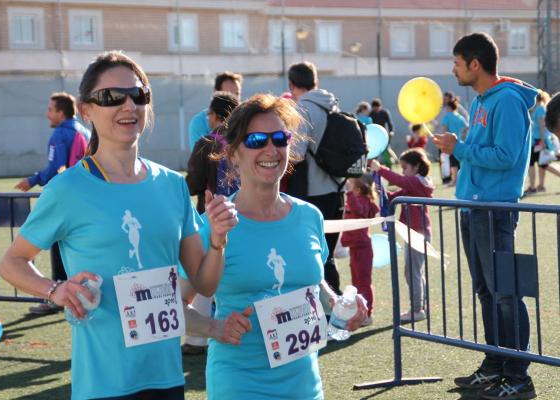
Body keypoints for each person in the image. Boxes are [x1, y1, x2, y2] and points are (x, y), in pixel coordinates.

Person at [0, 50, 238, 400]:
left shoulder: (171, 184)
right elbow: (12, 261)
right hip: (103, 382)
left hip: (166, 377)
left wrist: (217, 243)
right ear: (86, 110)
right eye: (111, 97)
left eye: (138, 95)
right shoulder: (68, 189)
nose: (129, 106)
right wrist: (55, 291)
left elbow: (203, 280)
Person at [184, 93, 367, 399]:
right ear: (233, 154)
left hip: (305, 387)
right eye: (256, 140)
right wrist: (214, 328)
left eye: (280, 138)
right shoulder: (214, 224)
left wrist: (336, 304)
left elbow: (311, 280)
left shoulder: (310, 217)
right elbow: (169, 307)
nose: (271, 149)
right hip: (241, 385)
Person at [433, 32, 537, 399]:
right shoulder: (481, 101)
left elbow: (506, 156)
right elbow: (484, 151)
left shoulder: (506, 100)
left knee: (504, 293)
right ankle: (495, 366)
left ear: (475, 64)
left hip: (494, 210)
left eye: (457, 63)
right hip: (474, 207)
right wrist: (459, 149)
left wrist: (459, 148)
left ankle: (518, 374)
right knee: (486, 291)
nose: (454, 70)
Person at [15, 92, 91, 315]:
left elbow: (55, 169)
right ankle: (81, 293)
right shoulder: (84, 131)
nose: (47, 114)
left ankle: (56, 297)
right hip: (87, 197)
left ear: (60, 112)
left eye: (50, 109)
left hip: (67, 199)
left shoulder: (60, 134)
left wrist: (33, 179)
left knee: (58, 247)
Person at [183, 91, 239, 356]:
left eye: (209, 113)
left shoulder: (207, 142)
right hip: (248, 214)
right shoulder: (247, 140)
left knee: (205, 274)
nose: (207, 117)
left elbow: (192, 184)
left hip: (214, 217)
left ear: (216, 115)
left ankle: (197, 339)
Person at [287, 61, 344, 295]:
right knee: (328, 255)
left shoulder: (302, 109)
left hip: (312, 194)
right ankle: (340, 310)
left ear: (291, 85)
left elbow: (297, 153)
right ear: (316, 82)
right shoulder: (334, 106)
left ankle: (333, 312)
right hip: (338, 189)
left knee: (314, 257)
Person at [369, 149, 434, 323]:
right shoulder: (412, 185)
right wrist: (380, 190)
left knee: (413, 272)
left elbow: (400, 180)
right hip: (414, 233)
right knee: (414, 271)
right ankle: (421, 306)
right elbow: (392, 196)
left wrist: (380, 169)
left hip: (418, 233)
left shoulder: (417, 182)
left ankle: (417, 309)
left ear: (417, 166)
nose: (403, 171)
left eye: (405, 167)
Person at [340, 174, 380, 326]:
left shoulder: (363, 202)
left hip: (362, 248)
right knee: (356, 283)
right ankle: (359, 312)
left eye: (351, 186)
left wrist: (349, 193)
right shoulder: (357, 201)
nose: (348, 189)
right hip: (354, 247)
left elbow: (359, 210)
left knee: (364, 283)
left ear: (358, 189)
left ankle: (367, 314)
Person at [188, 71, 242, 151]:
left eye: (237, 94)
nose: (234, 99)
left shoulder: (245, 118)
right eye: (228, 94)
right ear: (216, 94)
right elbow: (199, 158)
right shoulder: (199, 122)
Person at [526, 90, 552, 193]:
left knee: (534, 163)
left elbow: (542, 126)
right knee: (542, 164)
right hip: (538, 140)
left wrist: (542, 141)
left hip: (538, 140)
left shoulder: (540, 108)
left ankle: (534, 187)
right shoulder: (540, 108)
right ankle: (539, 186)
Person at [440, 97, 469, 187]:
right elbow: (466, 127)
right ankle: (460, 180)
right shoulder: (459, 117)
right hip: (460, 142)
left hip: (451, 142)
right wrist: (463, 136)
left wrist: (443, 139)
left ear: (449, 107)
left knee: (453, 163)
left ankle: (455, 181)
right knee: (460, 162)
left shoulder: (447, 117)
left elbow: (444, 129)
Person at [369, 98, 397, 168]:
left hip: (384, 135)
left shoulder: (385, 113)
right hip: (374, 136)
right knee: (374, 152)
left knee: (386, 151)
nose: (376, 110)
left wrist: (391, 131)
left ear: (380, 107)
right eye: (374, 108)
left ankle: (389, 166)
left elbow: (390, 123)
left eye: (377, 108)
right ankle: (372, 167)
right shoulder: (371, 114)